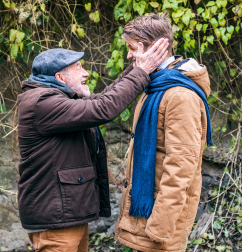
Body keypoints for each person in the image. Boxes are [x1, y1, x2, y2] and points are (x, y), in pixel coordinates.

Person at [17, 39, 169, 252]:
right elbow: (103, 108)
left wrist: (137, 66)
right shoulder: (42, 103)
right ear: (60, 78)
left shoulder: (58, 99)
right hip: (55, 222)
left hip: (66, 217)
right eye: (78, 68)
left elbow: (105, 97)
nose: (86, 73)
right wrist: (142, 71)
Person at [115, 13, 213, 252]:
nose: (128, 55)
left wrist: (160, 226)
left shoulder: (180, 95)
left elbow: (181, 167)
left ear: (153, 48)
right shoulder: (156, 84)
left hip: (162, 221)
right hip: (147, 212)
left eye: (131, 48)